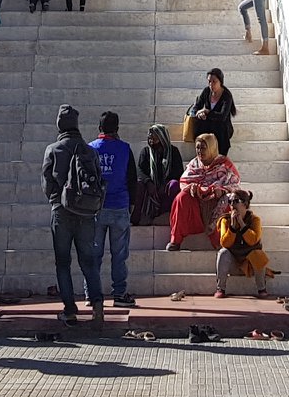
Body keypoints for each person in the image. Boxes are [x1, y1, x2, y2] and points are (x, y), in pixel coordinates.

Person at [41, 105, 106, 325]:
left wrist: (56, 199)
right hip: (86, 212)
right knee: (89, 261)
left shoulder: (53, 149)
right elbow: (99, 180)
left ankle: (69, 310)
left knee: (63, 262)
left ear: (60, 125)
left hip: (61, 211)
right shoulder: (89, 150)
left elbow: (46, 183)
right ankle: (97, 304)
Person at [89, 111, 139, 306]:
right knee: (119, 255)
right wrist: (131, 204)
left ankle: (91, 295)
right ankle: (119, 294)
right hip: (119, 206)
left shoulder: (90, 148)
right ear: (117, 128)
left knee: (94, 255)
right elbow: (132, 179)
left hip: (95, 208)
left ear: (100, 127)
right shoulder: (125, 148)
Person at [165, 132, 241, 251]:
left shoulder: (224, 163)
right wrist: (192, 188)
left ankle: (222, 241)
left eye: (203, 148)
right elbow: (184, 182)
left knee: (229, 200)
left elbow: (235, 185)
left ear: (211, 148)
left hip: (217, 199)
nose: (200, 151)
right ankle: (176, 240)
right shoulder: (194, 164)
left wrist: (222, 190)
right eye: (198, 148)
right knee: (182, 197)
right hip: (198, 200)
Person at [214, 187, 272, 298]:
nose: (232, 205)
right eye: (230, 201)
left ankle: (262, 288)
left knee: (259, 254)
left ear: (245, 204)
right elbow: (224, 243)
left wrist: (242, 224)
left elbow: (253, 240)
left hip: (249, 261)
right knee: (222, 253)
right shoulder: (225, 220)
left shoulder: (255, 220)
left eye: (235, 201)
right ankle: (220, 288)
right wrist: (232, 227)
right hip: (233, 258)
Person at [133, 123, 185, 225]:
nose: (151, 141)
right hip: (151, 187)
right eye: (150, 138)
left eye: (154, 138)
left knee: (174, 185)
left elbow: (178, 172)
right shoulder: (146, 151)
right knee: (139, 184)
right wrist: (149, 183)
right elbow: (140, 170)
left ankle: (167, 214)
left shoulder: (173, 151)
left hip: (165, 187)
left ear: (162, 138)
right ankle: (138, 216)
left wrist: (164, 184)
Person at [190, 68, 238, 157]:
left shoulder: (226, 95)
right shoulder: (206, 91)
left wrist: (207, 112)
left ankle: (220, 155)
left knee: (220, 127)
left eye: (214, 82)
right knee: (200, 123)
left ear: (220, 82)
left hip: (222, 128)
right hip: (208, 126)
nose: (211, 84)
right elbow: (195, 108)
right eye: (209, 81)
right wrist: (199, 113)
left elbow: (222, 116)